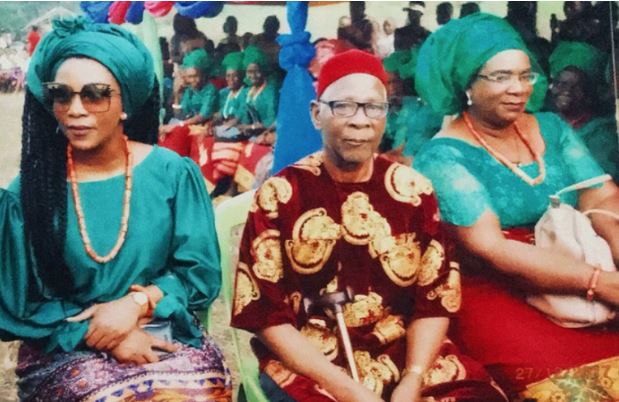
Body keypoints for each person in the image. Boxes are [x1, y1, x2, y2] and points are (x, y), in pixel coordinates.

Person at [231, 49, 507, 402]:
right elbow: (267, 317)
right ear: (317, 114)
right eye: (343, 106)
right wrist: (347, 389)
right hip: (312, 362)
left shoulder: (414, 193)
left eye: (373, 108)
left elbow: (434, 304)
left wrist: (413, 379)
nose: (360, 121)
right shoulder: (280, 194)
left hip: (404, 352)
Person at [0, 17, 231, 401]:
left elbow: (200, 273)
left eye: (94, 94)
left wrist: (137, 303)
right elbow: (18, 306)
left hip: (161, 327)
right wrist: (105, 336)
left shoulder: (173, 174)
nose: (76, 109)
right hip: (66, 344)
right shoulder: (29, 193)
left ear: (126, 101)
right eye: (62, 95)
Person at [413, 13, 619, 401]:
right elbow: (493, 250)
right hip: (499, 290)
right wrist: (601, 284)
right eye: (501, 76)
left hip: (581, 256)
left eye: (526, 75)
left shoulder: (552, 128)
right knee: (577, 392)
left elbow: (602, 196)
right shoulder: (441, 156)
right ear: (467, 82)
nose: (518, 89)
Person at [548, 41, 618, 182]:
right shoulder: (546, 123)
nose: (566, 91)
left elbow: (599, 182)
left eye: (576, 86)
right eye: (560, 83)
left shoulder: (602, 135)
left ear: (589, 94)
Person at [159, 48, 219, 156]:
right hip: (189, 125)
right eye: (190, 77)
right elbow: (180, 115)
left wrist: (178, 125)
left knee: (175, 132)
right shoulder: (190, 90)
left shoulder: (210, 90)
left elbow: (202, 116)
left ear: (203, 74)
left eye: (196, 76)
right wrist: (177, 94)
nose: (194, 80)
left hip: (205, 126)